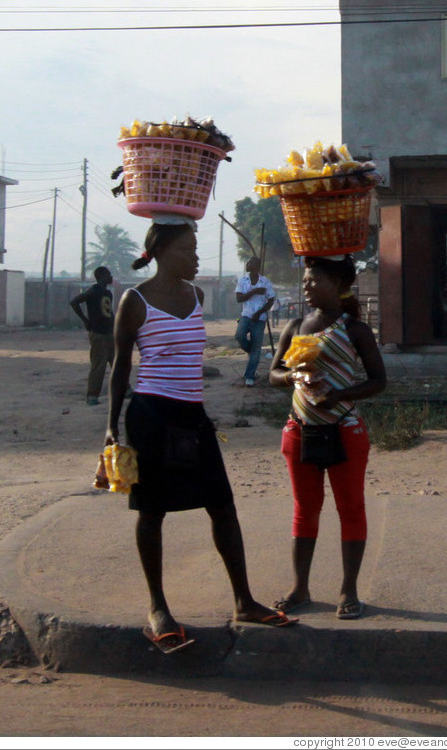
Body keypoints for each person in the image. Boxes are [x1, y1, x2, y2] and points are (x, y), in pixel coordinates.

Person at [105, 222, 298, 654]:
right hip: (151, 414)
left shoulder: (197, 296)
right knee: (152, 510)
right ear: (163, 251)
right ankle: (158, 610)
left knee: (223, 505)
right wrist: (111, 425)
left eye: (195, 249)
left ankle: (244, 601)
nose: (196, 257)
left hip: (193, 415)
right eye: (189, 249)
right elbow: (120, 367)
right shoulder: (134, 301)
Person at [269, 255, 387, 620]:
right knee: (305, 511)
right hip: (299, 430)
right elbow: (273, 372)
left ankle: (348, 589)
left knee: (350, 509)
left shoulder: (355, 330)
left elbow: (378, 381)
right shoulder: (295, 326)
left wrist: (341, 394)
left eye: (314, 279)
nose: (307, 285)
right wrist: (293, 378)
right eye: (305, 280)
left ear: (338, 285)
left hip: (345, 430)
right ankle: (299, 587)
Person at [70, 266, 115, 405]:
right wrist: (85, 320)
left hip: (109, 332)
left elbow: (108, 313)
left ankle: (125, 390)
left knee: (118, 363)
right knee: (99, 365)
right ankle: (92, 395)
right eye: (108, 274)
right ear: (102, 276)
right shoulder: (93, 291)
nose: (111, 277)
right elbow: (74, 302)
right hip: (98, 333)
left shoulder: (108, 293)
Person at [235, 256, 275, 386]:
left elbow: (271, 300)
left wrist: (259, 313)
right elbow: (239, 299)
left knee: (256, 348)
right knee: (239, 336)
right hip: (246, 316)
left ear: (256, 266)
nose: (247, 264)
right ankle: (252, 351)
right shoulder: (243, 281)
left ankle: (249, 376)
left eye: (249, 262)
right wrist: (254, 291)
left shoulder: (265, 282)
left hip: (260, 319)